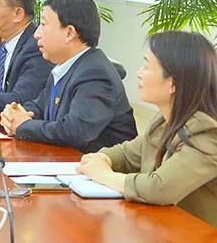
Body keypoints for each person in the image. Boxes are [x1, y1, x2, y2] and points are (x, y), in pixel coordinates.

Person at [78, 31, 217, 226]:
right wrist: (101, 158)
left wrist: (105, 175)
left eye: (147, 66)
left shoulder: (206, 132)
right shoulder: (164, 120)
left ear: (173, 83)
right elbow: (127, 154)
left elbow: (159, 188)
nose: (139, 73)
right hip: (163, 227)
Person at [0, 0, 137, 152]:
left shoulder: (95, 74)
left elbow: (75, 131)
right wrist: (15, 114)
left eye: (43, 24)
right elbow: (39, 106)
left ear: (69, 33)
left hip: (99, 165)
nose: (36, 34)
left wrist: (24, 125)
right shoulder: (64, 66)